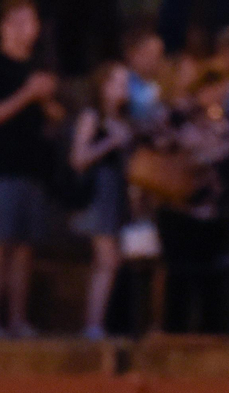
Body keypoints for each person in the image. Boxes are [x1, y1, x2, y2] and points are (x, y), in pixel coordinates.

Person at [0, 0, 63, 338]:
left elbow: (55, 117)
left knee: (25, 249)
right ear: (4, 26)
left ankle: (17, 319)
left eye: (32, 20)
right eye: (20, 20)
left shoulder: (40, 67)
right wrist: (27, 94)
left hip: (35, 169)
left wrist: (48, 101)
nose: (28, 27)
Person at [155, 67, 229, 334]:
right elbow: (162, 143)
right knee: (179, 274)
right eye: (214, 91)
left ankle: (209, 333)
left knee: (209, 276)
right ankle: (174, 332)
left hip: (210, 210)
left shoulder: (222, 122)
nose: (218, 97)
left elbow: (227, 150)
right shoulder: (178, 116)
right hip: (177, 206)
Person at [71, 62, 135, 341]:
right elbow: (78, 158)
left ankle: (101, 323)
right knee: (106, 260)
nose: (123, 90)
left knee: (112, 261)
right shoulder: (92, 116)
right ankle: (93, 325)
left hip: (117, 194)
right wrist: (111, 142)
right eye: (117, 83)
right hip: (98, 194)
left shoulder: (124, 118)